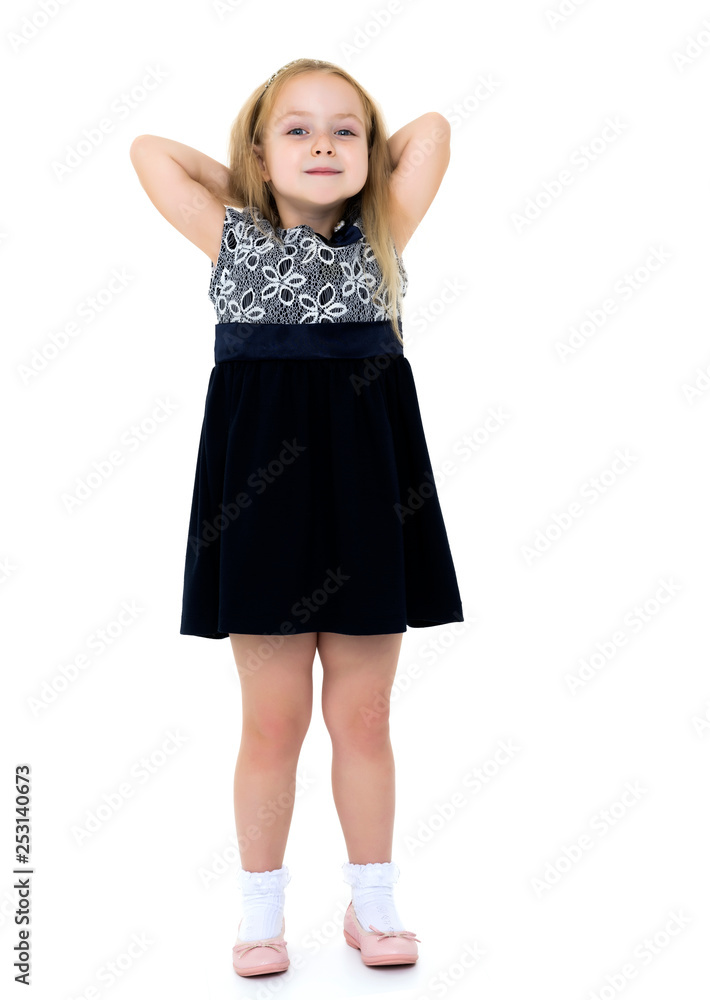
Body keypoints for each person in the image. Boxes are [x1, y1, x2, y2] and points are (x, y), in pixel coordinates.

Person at [129, 57, 464, 978]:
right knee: (271, 723)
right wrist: (254, 181)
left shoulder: (382, 236)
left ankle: (374, 904)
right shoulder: (232, 241)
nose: (322, 142)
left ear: (369, 154)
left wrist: (354, 165)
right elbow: (152, 152)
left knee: (363, 717)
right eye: (297, 129)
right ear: (257, 152)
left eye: (344, 131)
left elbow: (431, 130)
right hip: (261, 501)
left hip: (368, 496)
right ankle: (261, 914)